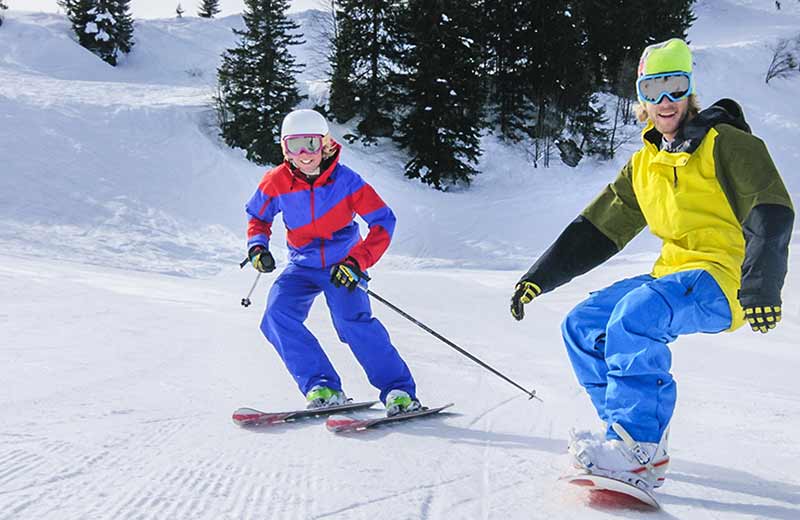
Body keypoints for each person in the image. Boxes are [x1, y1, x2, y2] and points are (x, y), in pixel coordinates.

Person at [510, 38, 794, 490]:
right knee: (583, 325)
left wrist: (761, 286)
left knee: (636, 315)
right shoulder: (645, 163)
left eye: (675, 87)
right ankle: (625, 439)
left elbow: (771, 210)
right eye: (653, 89)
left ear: (690, 90)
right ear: (640, 98)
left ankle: (638, 449)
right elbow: (599, 225)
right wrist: (539, 278)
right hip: (672, 277)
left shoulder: (728, 144)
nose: (665, 102)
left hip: (723, 278)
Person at [245, 109, 421, 417]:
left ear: (325, 144)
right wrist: (258, 247)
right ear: (284, 148)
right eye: (294, 145)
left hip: (343, 266)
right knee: (276, 315)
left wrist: (357, 261)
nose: (304, 154)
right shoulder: (276, 181)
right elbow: (258, 216)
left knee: (352, 323)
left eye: (311, 144)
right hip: (302, 266)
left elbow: (383, 221)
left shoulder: (347, 181)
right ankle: (323, 385)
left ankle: (399, 391)